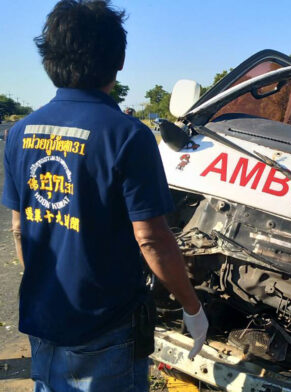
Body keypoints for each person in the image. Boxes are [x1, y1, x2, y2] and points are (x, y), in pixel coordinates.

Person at [2, 1, 208, 391]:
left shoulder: (20, 132)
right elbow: (152, 239)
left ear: (48, 57)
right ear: (120, 60)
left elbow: (19, 228)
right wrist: (192, 307)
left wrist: (47, 289)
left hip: (43, 317)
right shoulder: (127, 134)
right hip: (105, 328)